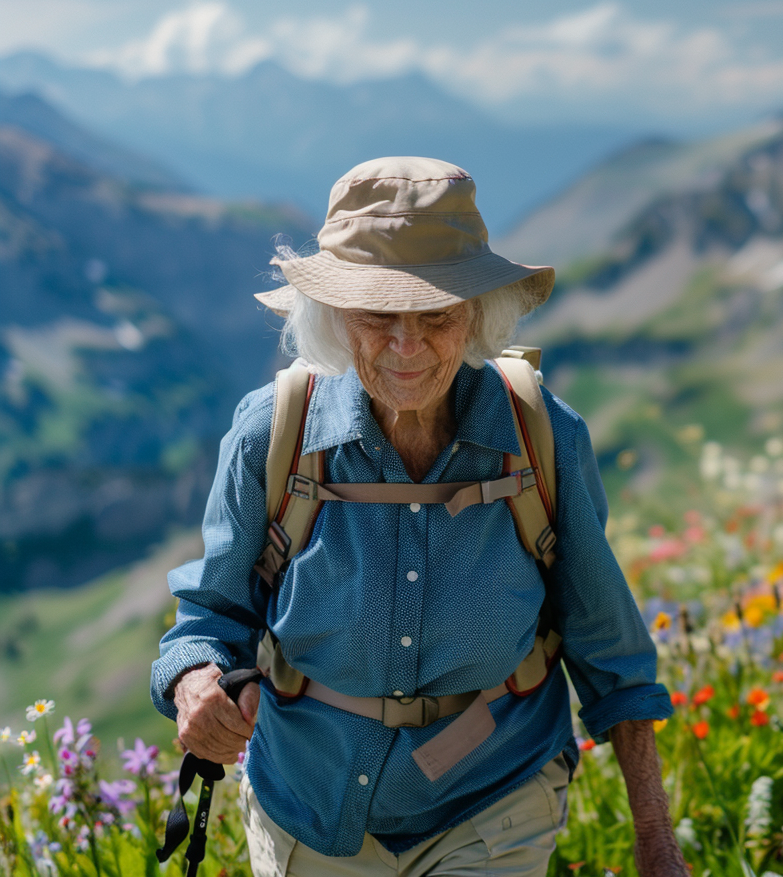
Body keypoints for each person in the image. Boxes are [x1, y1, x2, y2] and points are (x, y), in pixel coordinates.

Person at [150, 157, 685, 876]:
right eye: (378, 317)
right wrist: (195, 681)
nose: (406, 347)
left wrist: (657, 840)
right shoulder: (273, 434)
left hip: (492, 797)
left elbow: (607, 643)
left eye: (435, 317)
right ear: (336, 317)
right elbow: (211, 614)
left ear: (476, 316)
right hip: (311, 804)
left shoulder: (541, 437)